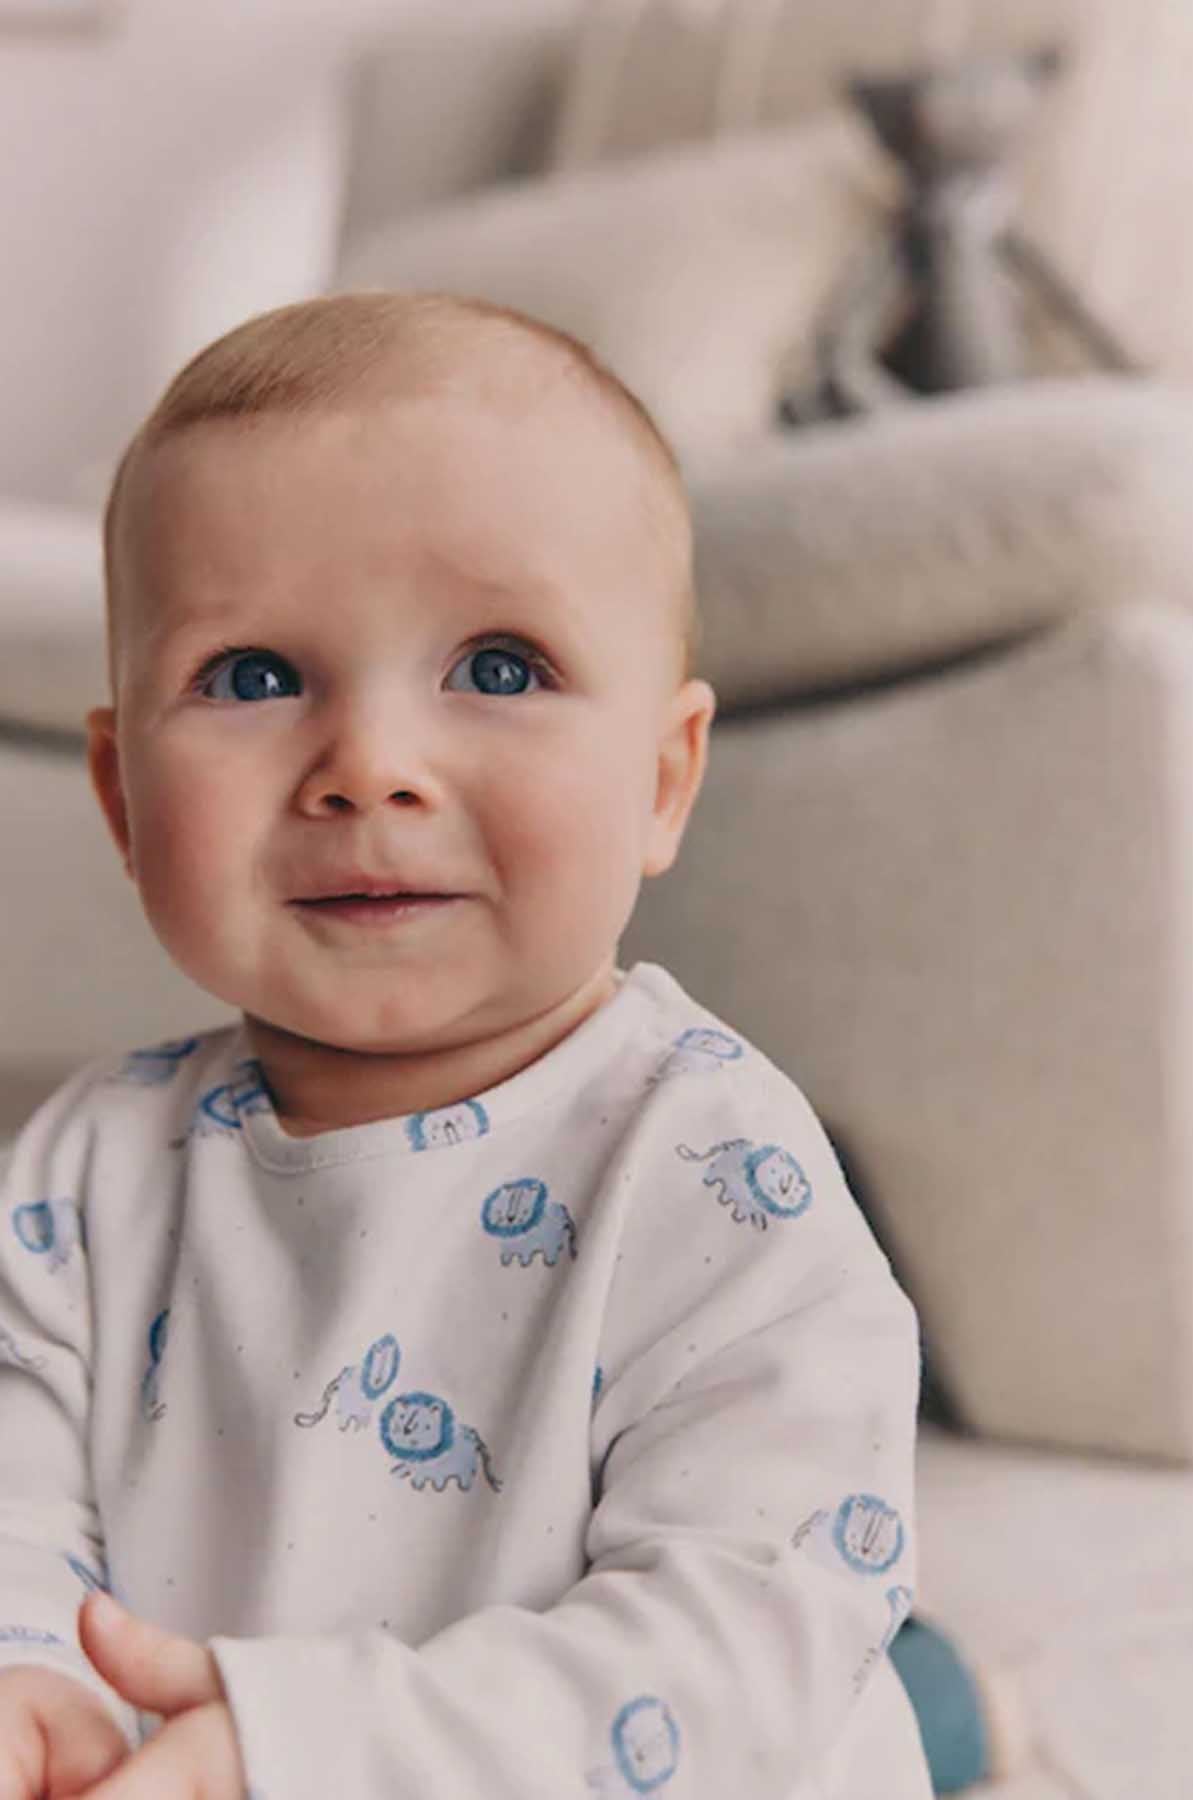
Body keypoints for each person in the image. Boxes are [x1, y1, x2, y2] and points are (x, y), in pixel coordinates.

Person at [0, 291, 932, 1799]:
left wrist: (320, 1747)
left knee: (872, 1683)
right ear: (122, 797)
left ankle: (954, 1704)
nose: (369, 767)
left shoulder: (718, 1175)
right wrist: (29, 1673)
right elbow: (15, 1494)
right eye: (253, 676)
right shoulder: (85, 1175)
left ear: (662, 779)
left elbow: (736, 1642)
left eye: (499, 669)